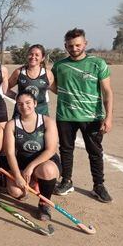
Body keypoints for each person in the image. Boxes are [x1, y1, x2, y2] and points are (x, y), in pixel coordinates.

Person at [51, 28, 114, 202]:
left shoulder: (98, 64)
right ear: (65, 46)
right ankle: (66, 181)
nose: (74, 48)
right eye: (70, 45)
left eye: (78, 45)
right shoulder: (59, 66)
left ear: (85, 44)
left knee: (95, 152)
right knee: (66, 150)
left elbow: (107, 92)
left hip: (92, 117)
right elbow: (54, 87)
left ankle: (98, 185)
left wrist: (108, 117)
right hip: (65, 116)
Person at [2, 90, 60, 221]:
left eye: (28, 103)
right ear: (17, 106)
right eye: (20, 104)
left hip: (44, 161)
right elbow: (10, 153)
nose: (24, 107)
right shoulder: (11, 124)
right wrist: (17, 176)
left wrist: (31, 167)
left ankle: (44, 204)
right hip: (22, 162)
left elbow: (51, 150)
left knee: (47, 170)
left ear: (35, 103)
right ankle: (35, 182)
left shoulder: (47, 121)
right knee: (16, 192)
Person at [7, 44, 54, 117]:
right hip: (21, 111)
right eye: (31, 54)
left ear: (42, 58)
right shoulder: (19, 72)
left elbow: (56, 90)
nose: (33, 57)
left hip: (41, 111)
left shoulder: (47, 74)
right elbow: (5, 88)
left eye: (37, 55)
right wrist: (18, 97)